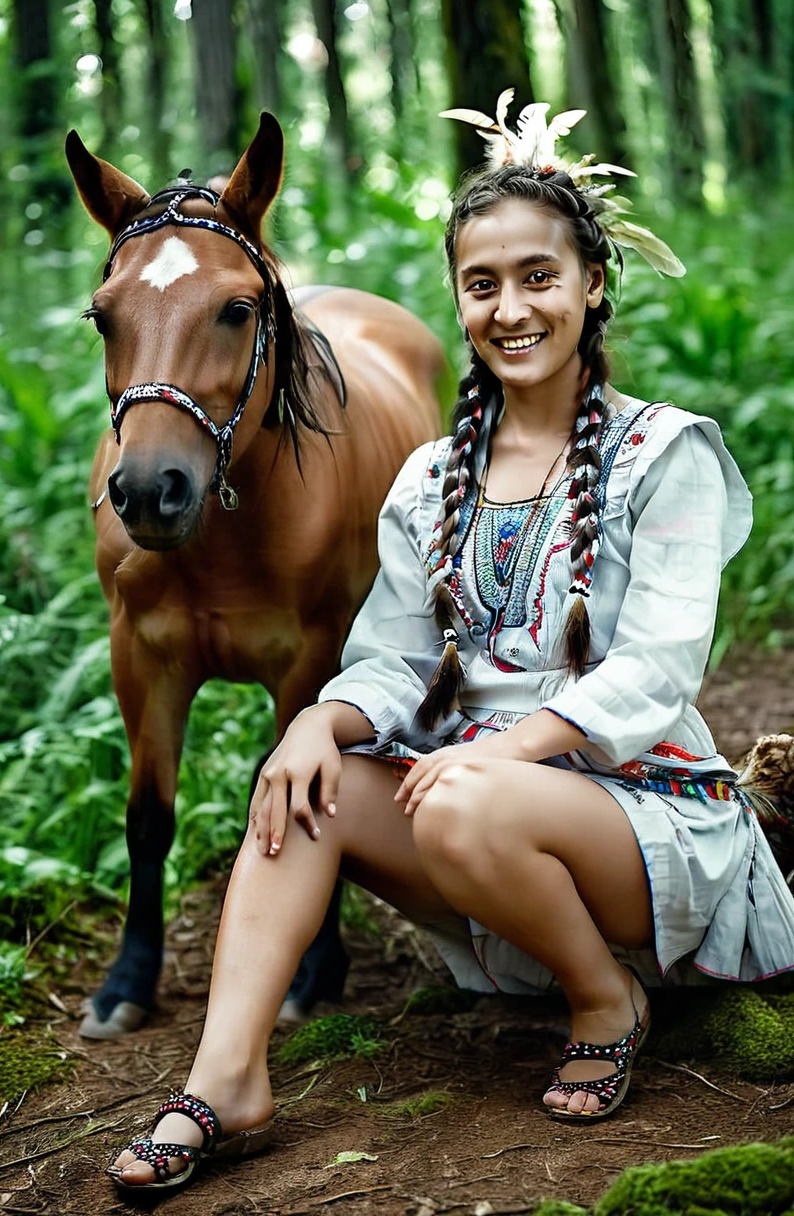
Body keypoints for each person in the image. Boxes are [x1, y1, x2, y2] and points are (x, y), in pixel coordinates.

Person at [108, 94, 794, 1193]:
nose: (510, 308)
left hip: (640, 816)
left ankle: (603, 995)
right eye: (483, 284)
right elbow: (389, 655)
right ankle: (225, 1075)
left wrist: (500, 753)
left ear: (591, 284)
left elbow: (657, 670)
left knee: (465, 795)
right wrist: (323, 722)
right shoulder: (430, 477)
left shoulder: (664, 456)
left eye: (539, 276)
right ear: (460, 302)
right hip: (468, 809)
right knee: (301, 776)